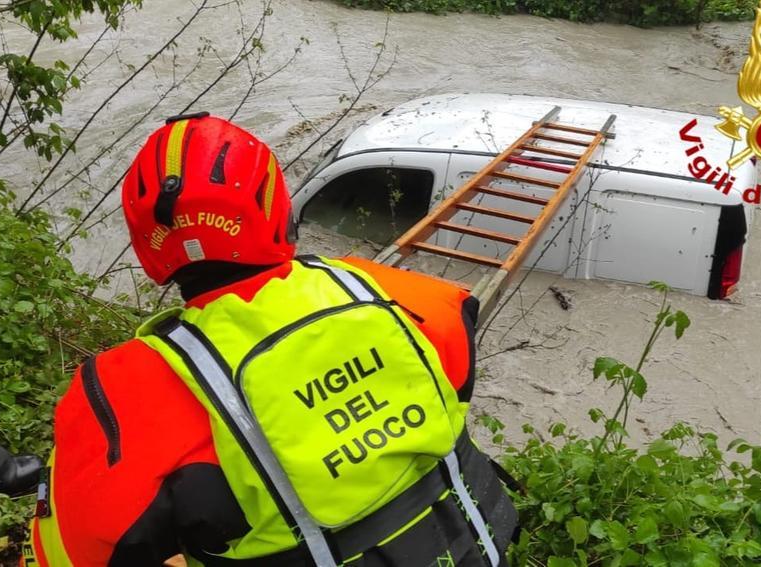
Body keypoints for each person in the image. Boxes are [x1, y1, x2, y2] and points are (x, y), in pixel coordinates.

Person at [25, 113, 518, 566]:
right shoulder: (401, 294)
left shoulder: (122, 392)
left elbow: (66, 555)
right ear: (277, 212)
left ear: (147, 247)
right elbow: (457, 366)